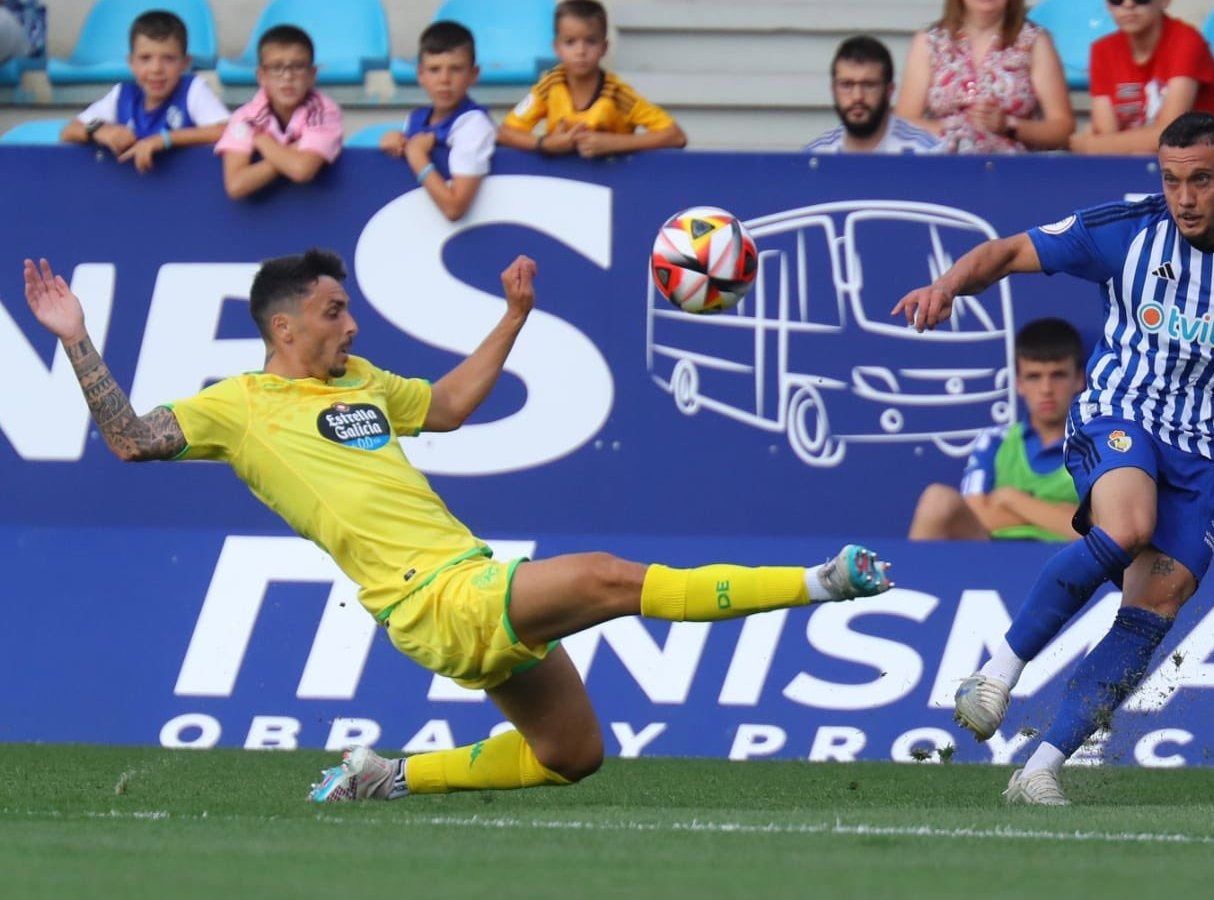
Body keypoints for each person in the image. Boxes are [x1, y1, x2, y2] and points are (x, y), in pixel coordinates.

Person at [20, 249, 893, 802]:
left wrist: (512, 320)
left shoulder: (359, 380)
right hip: (431, 599)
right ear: (283, 327)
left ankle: (388, 779)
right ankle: (824, 582)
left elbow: (444, 407)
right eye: (333, 311)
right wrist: (75, 338)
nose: (351, 322)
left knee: (572, 755)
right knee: (607, 578)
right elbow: (131, 441)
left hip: (466, 582)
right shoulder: (239, 405)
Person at [892, 112, 1214, 805]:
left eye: (1201, 180)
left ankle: (1042, 766)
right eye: (1172, 181)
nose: (1186, 198)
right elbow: (1008, 252)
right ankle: (995, 674)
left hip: (1202, 449)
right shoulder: (1126, 232)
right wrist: (947, 285)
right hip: (1120, 412)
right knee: (1129, 525)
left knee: (1159, 600)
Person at [909, 318, 1084, 541]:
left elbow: (1100, 530)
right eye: (1034, 376)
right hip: (991, 564)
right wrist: (1059, 514)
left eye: (1058, 375)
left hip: (1070, 567)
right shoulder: (995, 439)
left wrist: (1012, 499)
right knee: (937, 500)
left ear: (1079, 379)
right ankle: (909, 577)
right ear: (1018, 383)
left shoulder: (1094, 444)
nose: (1046, 389)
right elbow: (974, 512)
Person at [498, 0, 687, 158]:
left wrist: (613, 144)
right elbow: (505, 133)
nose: (581, 51)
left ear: (604, 48)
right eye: (570, 42)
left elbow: (675, 136)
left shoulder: (617, 93)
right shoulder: (550, 86)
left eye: (591, 41)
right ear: (556, 47)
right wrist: (546, 143)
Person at [896, 0, 1074, 153]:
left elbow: (1063, 129)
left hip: (1012, 173)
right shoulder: (930, 42)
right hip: (942, 168)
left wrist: (1009, 125)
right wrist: (949, 128)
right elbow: (903, 124)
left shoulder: (1034, 41)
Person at [60, 10, 228, 173]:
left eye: (168, 58)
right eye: (145, 58)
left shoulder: (193, 90)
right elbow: (69, 131)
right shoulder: (121, 95)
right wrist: (100, 131)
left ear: (185, 63)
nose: (156, 69)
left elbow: (226, 130)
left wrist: (164, 139)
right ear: (131, 62)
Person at [1070, 0, 1214, 156]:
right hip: (1140, 166)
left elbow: (1170, 135)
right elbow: (1106, 134)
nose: (1128, 4)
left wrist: (1087, 145)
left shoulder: (1186, 41)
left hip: (1210, 166)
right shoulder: (1102, 50)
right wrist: (1105, 144)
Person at [379, 21, 495, 221]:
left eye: (456, 69)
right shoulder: (415, 118)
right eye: (434, 69)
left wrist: (416, 155)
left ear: (473, 74)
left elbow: (454, 208)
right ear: (420, 74)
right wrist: (395, 143)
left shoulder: (475, 124)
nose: (444, 79)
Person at [215, 25, 343, 200]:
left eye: (297, 66)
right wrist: (290, 151)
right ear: (261, 76)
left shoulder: (324, 112)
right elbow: (236, 185)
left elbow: (302, 170)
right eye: (276, 67)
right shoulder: (245, 117)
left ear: (312, 74)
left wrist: (263, 142)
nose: (287, 76)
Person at [806, 35, 941, 154]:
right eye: (847, 85)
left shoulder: (926, 153)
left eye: (869, 85)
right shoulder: (816, 157)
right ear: (833, 90)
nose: (857, 96)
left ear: (889, 91)